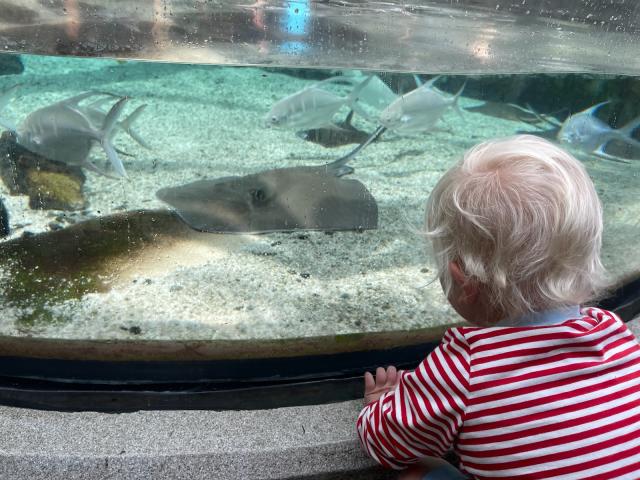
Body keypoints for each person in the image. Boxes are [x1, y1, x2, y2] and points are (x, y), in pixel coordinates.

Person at [357, 135, 640, 480]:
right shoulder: (615, 333)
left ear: (462, 279)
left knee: (417, 472)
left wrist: (381, 406)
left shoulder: (465, 364)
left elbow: (389, 446)